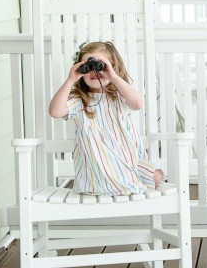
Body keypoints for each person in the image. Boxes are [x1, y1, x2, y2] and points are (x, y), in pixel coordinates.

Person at [48, 41, 163, 196]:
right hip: (97, 163)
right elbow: (55, 112)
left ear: (112, 66)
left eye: (100, 66)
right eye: (88, 68)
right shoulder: (80, 99)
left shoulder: (119, 95)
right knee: (139, 177)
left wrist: (113, 76)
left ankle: (135, 179)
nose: (94, 72)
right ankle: (118, 184)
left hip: (126, 159)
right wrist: (70, 80)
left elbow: (137, 103)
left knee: (155, 176)